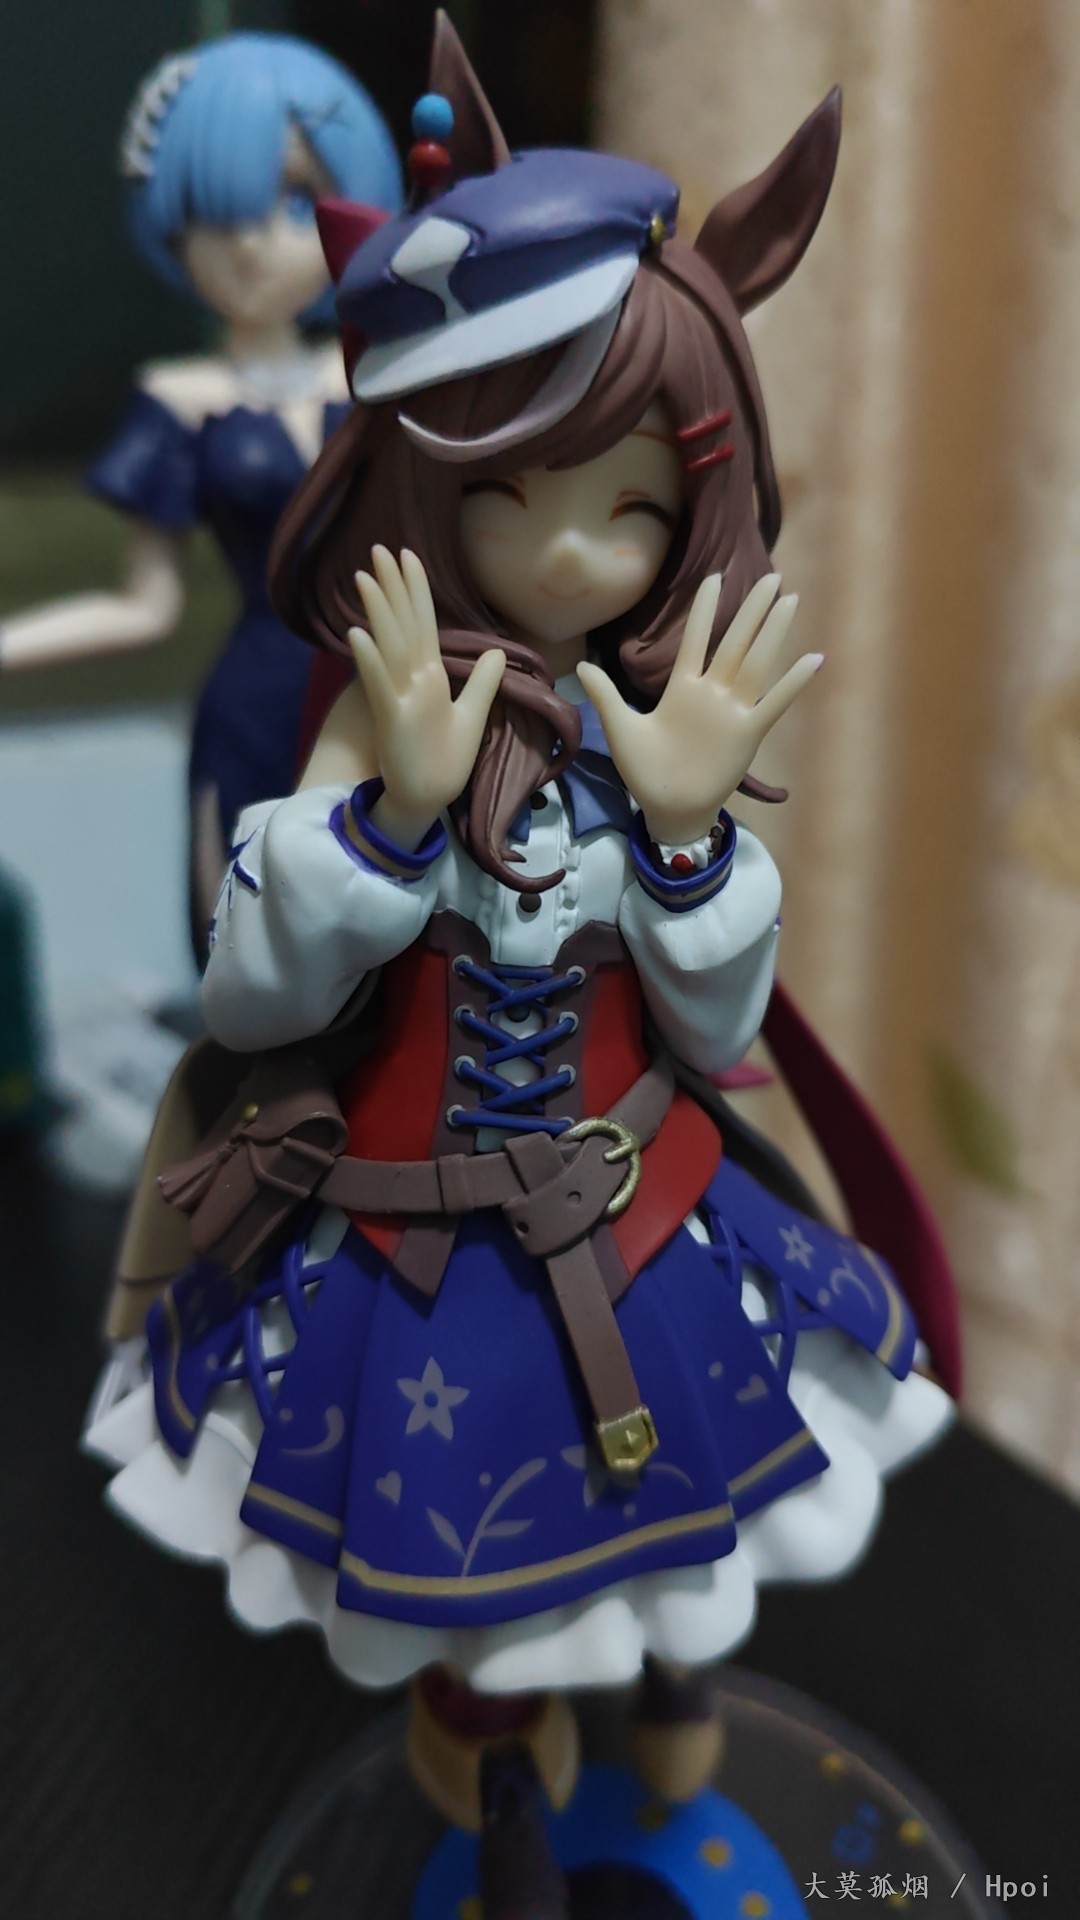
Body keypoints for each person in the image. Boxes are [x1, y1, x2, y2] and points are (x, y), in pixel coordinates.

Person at [86, 19, 957, 1910]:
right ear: (427, 483)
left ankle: (664, 1710)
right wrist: (394, 819)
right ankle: (492, 1785)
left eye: (629, 505)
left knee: (691, 1522)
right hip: (420, 1252)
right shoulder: (375, 713)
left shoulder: (667, 715)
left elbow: (716, 1025)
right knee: (459, 1606)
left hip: (647, 1214)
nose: (572, 553)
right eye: (511, 492)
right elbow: (256, 1002)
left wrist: (690, 834)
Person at [0, 32, 401, 948]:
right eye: (218, 214)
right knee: (250, 942)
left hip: (389, 690)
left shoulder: (381, 380)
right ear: (175, 227)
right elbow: (147, 607)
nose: (254, 244)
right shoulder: (180, 401)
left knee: (391, 937)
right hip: (254, 700)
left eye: (295, 200)